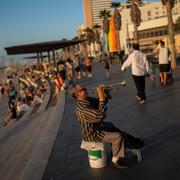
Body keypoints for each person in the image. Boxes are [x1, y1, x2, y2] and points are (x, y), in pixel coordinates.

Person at [71, 83, 144, 169]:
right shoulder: (82, 109)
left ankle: (127, 144)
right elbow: (100, 116)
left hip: (97, 127)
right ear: (77, 94)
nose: (85, 90)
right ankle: (115, 160)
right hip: (92, 133)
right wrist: (101, 98)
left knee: (111, 127)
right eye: (82, 89)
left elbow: (101, 102)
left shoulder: (87, 99)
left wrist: (105, 93)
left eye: (84, 88)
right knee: (117, 136)